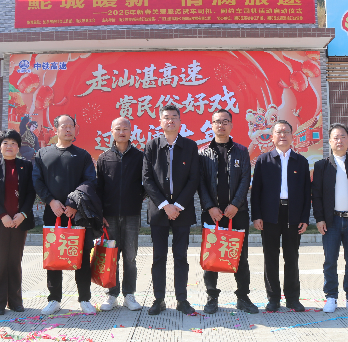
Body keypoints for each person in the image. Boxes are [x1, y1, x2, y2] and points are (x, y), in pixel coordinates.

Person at [33, 114, 98, 315]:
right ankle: (54, 299)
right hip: (52, 213)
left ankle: (84, 298)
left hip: (77, 214)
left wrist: (74, 203)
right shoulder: (43, 154)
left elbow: (89, 181)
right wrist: (50, 201)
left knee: (82, 255)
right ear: (56, 129)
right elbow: (37, 180)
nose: (68, 129)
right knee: (53, 256)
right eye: (64, 126)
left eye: (71, 126)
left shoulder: (83, 155)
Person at [198, 109, 257, 314]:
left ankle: (243, 297)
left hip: (237, 213)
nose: (221, 125)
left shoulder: (241, 151)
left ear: (231, 125)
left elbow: (245, 179)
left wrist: (235, 204)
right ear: (211, 125)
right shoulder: (203, 153)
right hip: (212, 214)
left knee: (240, 256)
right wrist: (210, 207)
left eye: (225, 121)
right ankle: (212, 296)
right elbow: (200, 183)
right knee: (211, 256)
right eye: (217, 121)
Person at [142, 104, 200, 315]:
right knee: (159, 256)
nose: (170, 121)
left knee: (180, 256)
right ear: (160, 122)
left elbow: (194, 178)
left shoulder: (190, 146)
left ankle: (182, 299)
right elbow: (147, 179)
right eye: (166, 117)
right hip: (159, 211)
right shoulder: (152, 146)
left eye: (174, 117)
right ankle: (159, 299)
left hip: (182, 211)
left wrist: (178, 205)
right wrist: (165, 205)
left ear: (180, 121)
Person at [251, 120, 311, 312]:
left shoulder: (301, 161)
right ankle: (273, 298)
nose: (283, 135)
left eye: (286, 132)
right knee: (270, 258)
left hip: (293, 214)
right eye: (279, 132)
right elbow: (256, 191)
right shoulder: (263, 160)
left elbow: (306, 192)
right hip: (270, 214)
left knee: (291, 257)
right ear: (272, 137)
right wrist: (257, 215)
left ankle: (292, 298)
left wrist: (304, 218)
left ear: (292, 136)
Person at [312, 123, 348, 313]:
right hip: (331, 221)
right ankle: (331, 296)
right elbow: (316, 195)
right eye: (336, 137)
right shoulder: (321, 166)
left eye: (343, 137)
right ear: (330, 141)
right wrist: (319, 218)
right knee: (330, 260)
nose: (339, 140)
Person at [0, 129, 36, 315]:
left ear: (18, 147)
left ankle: (15, 301)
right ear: (0, 146)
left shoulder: (26, 166)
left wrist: (23, 214)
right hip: (0, 222)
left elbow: (31, 193)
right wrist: (2, 215)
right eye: (5, 143)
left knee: (14, 262)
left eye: (13, 143)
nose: (9, 146)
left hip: (19, 222)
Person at [96, 117, 144, 311]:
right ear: (112, 131)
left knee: (130, 257)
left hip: (132, 215)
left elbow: (146, 184)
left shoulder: (140, 157)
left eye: (125, 129)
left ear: (131, 132)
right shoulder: (104, 157)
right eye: (118, 129)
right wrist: (100, 213)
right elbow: (98, 188)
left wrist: (137, 199)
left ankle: (129, 295)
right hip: (109, 217)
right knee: (111, 256)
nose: (122, 132)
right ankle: (112, 294)